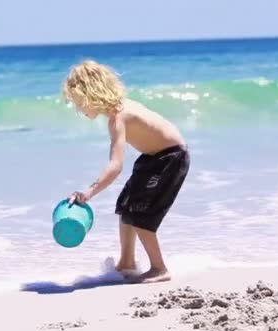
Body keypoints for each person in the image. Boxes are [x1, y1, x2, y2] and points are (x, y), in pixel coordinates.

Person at [62, 60, 190, 283]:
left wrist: (89, 192)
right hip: (153, 157)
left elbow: (116, 166)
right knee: (126, 206)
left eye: (78, 103)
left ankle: (159, 268)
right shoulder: (119, 109)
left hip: (170, 158)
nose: (78, 109)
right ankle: (127, 263)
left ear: (90, 94)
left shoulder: (119, 117)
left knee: (141, 214)